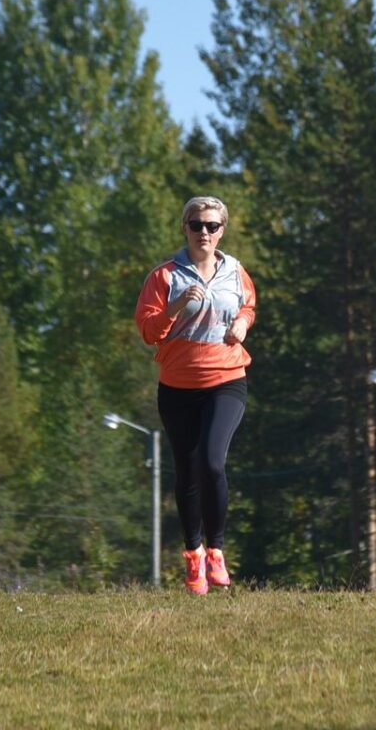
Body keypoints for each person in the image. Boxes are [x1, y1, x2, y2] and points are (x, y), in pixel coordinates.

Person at [134, 196, 255, 594]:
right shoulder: (165, 277)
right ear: (184, 227)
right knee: (186, 471)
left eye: (213, 226)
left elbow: (249, 306)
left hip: (226, 379)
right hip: (177, 387)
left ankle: (216, 551)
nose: (205, 232)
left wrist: (241, 323)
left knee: (212, 463)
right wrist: (175, 306)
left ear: (222, 230)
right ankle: (193, 556)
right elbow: (149, 331)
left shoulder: (235, 271)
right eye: (197, 224)